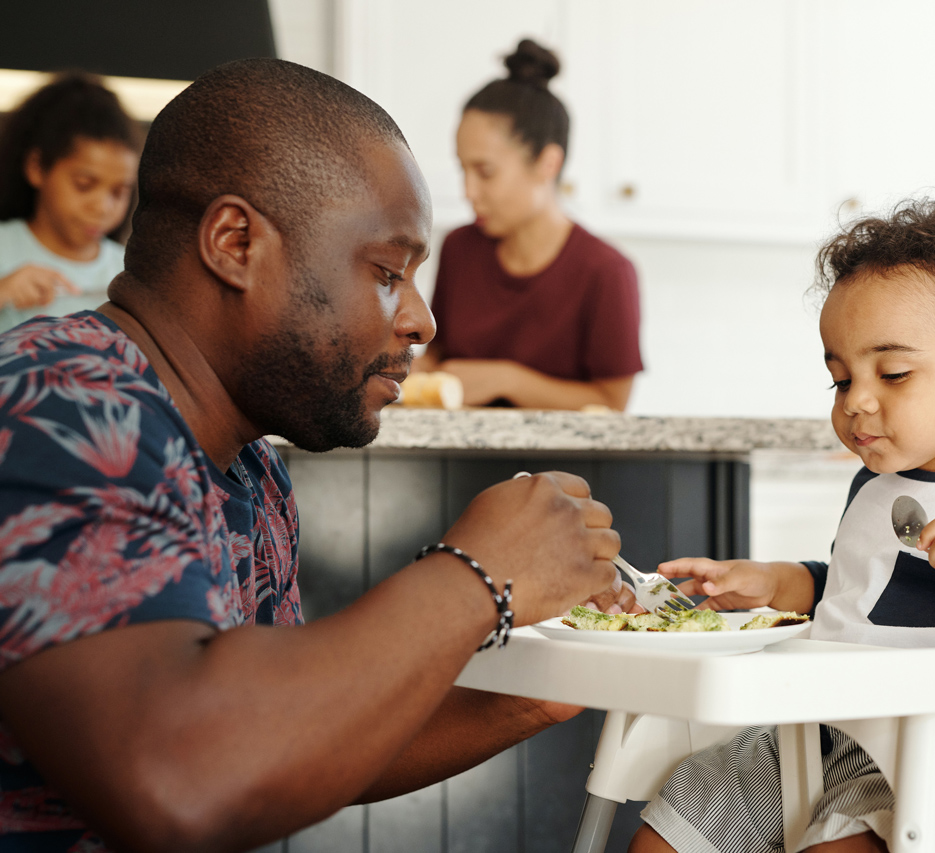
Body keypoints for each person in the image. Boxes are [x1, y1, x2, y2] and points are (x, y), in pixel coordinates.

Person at [0, 58, 631, 852]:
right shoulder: (63, 404)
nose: (422, 322)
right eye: (388, 272)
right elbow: (179, 774)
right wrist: (477, 575)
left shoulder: (250, 465)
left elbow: (283, 740)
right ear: (236, 243)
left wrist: (542, 696)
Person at [628, 199, 935, 853]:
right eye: (840, 379)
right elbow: (855, 595)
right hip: (810, 725)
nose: (857, 400)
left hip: (923, 749)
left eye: (892, 373)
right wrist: (771, 581)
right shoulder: (875, 483)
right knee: (669, 824)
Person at [413, 38, 643, 411]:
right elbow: (437, 361)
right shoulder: (459, 248)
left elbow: (612, 403)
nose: (468, 191)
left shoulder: (607, 272)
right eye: (463, 169)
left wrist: (506, 378)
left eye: (485, 172)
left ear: (547, 164)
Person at [0, 72, 140, 332]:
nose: (102, 207)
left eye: (119, 191)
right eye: (84, 185)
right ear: (37, 168)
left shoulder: (130, 271)